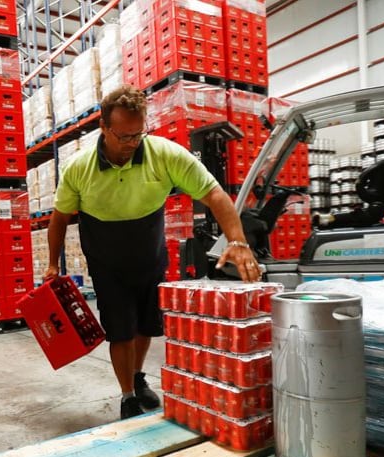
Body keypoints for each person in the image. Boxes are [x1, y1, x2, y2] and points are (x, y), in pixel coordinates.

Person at [43, 85, 261, 420]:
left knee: (146, 325)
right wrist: (51, 265)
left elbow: (214, 194)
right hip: (106, 259)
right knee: (121, 330)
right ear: (104, 127)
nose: (132, 143)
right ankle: (127, 396)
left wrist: (238, 241)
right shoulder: (79, 167)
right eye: (124, 136)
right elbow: (59, 218)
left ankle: (137, 376)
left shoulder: (165, 154)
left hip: (149, 253)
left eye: (138, 134)